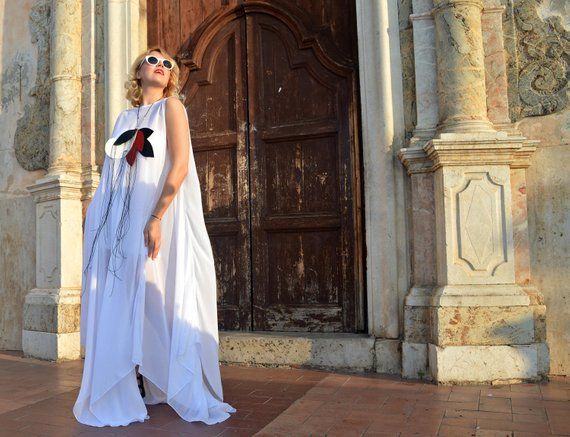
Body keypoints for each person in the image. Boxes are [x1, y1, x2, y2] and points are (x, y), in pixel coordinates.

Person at [72, 46, 236, 427]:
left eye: (168, 64)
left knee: (155, 293)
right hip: (117, 222)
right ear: (138, 71)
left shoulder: (171, 109)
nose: (161, 66)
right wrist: (94, 213)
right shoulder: (122, 118)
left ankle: (166, 379)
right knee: (121, 294)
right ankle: (129, 380)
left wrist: (157, 216)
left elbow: (179, 165)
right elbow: (112, 174)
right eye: (153, 60)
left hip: (152, 217)